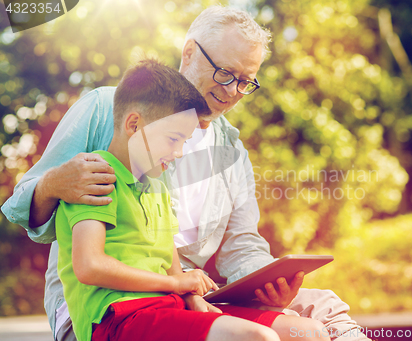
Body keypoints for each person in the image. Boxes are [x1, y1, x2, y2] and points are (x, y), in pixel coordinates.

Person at [1, 6, 370, 341]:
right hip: (113, 306)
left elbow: (241, 247)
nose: (233, 91)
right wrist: (53, 185)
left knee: (322, 311)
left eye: (246, 81)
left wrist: (269, 285)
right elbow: (25, 208)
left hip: (192, 297)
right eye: (225, 73)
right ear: (189, 52)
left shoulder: (232, 153)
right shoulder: (109, 107)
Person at [56, 58, 329, 341]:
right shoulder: (94, 175)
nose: (179, 153)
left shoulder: (158, 186)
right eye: (173, 139)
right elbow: (89, 266)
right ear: (134, 125)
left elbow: (172, 263)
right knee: (259, 338)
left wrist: (193, 299)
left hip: (168, 306)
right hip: (118, 318)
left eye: (184, 142)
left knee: (309, 332)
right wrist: (174, 283)